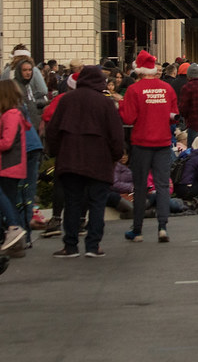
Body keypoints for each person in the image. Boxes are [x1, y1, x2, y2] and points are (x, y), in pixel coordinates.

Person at [47, 66, 125, 258]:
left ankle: (70, 245)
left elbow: (52, 130)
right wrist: (116, 156)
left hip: (70, 160)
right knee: (97, 202)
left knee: (72, 202)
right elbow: (116, 134)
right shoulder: (105, 103)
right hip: (99, 161)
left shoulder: (67, 100)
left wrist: (56, 153)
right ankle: (93, 245)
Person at [119, 50, 178, 243]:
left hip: (141, 143)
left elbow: (128, 118)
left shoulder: (134, 90)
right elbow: (173, 116)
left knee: (140, 186)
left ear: (139, 69)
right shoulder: (166, 89)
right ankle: (163, 227)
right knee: (162, 185)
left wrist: (120, 106)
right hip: (162, 142)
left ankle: (138, 229)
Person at [0, 80, 31, 256]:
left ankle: (14, 228)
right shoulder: (14, 113)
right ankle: (17, 243)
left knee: (6, 201)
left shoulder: (10, 114)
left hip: (8, 165)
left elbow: (7, 142)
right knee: (9, 202)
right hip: (13, 165)